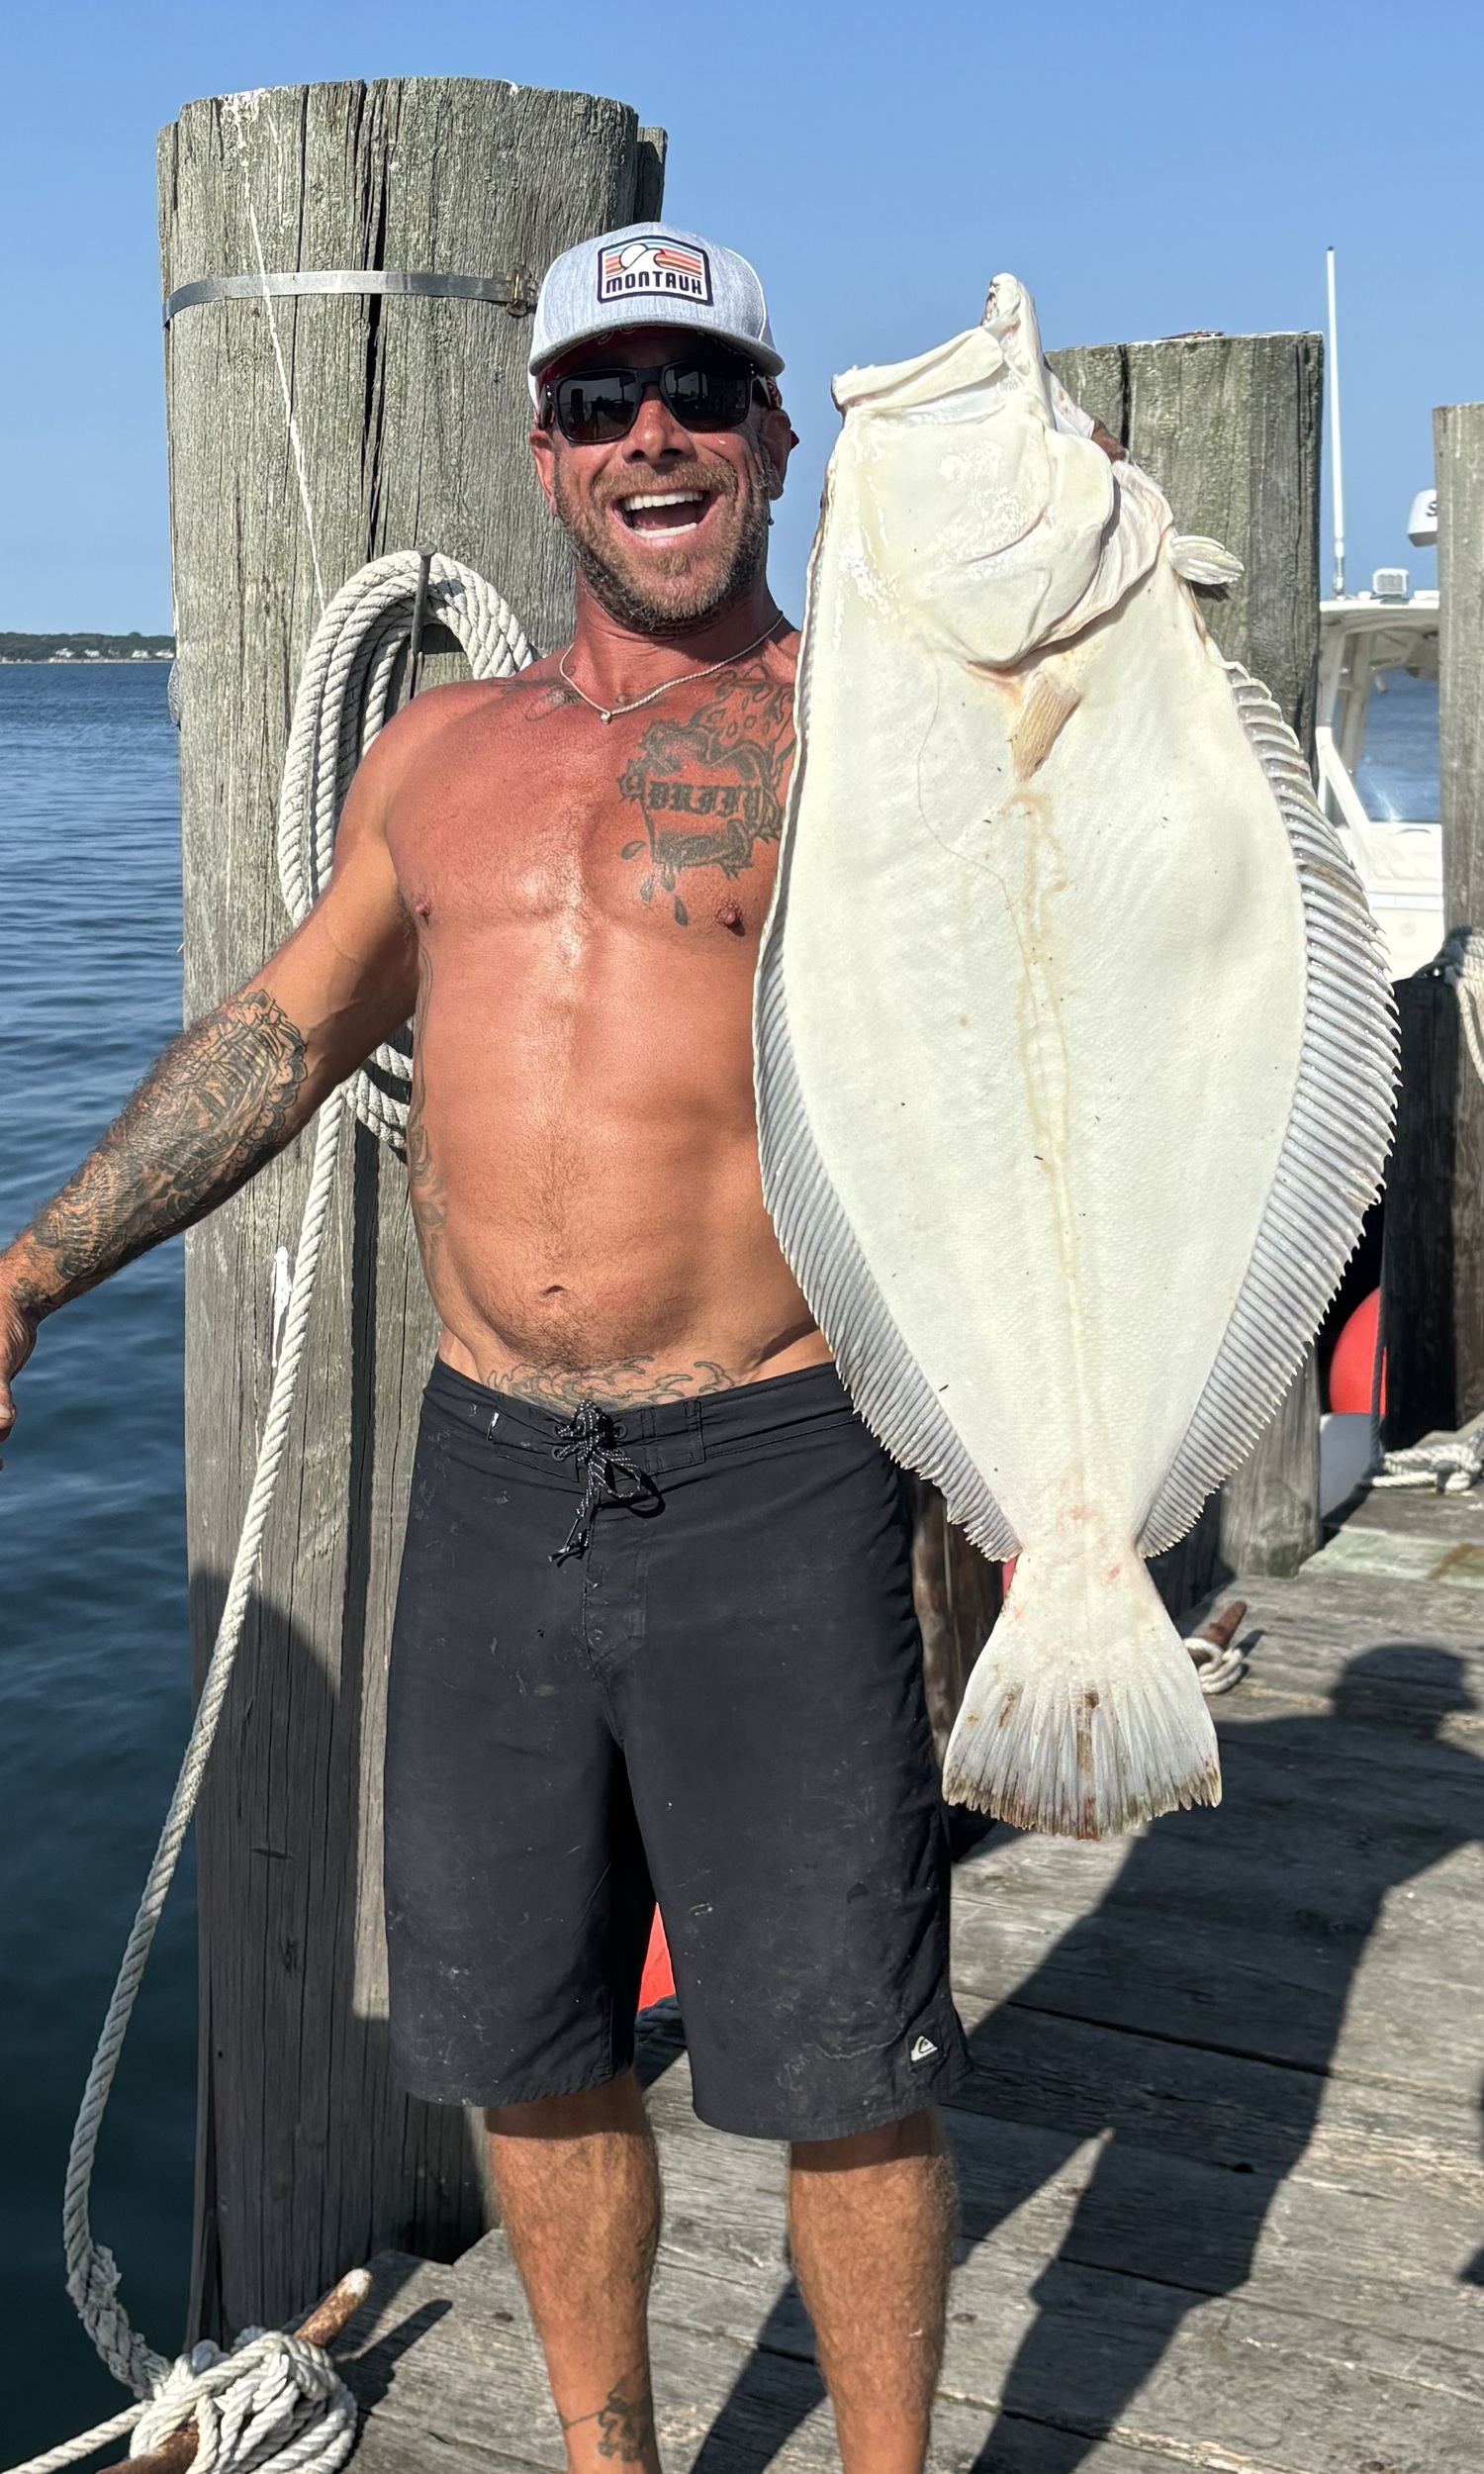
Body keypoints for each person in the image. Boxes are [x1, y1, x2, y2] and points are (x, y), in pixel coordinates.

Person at [0, 222, 965, 2474]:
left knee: (845, 2060)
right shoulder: (437, 754)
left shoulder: (872, 732)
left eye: (699, 396)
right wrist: (37, 1262)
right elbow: (276, 1032)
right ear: (540, 454)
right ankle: (609, 2452)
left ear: (774, 437)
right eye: (606, 398)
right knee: (524, 2031)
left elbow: (1101, 868)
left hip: (780, 1466)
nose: (655, 437)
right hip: (498, 1485)